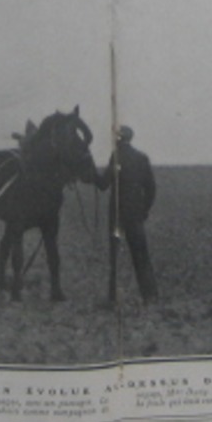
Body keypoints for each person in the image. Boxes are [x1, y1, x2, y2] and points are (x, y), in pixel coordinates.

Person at [96, 125, 157, 303]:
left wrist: (91, 174)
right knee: (141, 254)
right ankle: (150, 295)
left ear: (119, 139)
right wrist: (144, 209)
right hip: (135, 213)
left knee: (114, 257)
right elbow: (151, 188)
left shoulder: (116, 157)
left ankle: (112, 298)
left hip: (117, 215)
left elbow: (103, 184)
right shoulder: (142, 158)